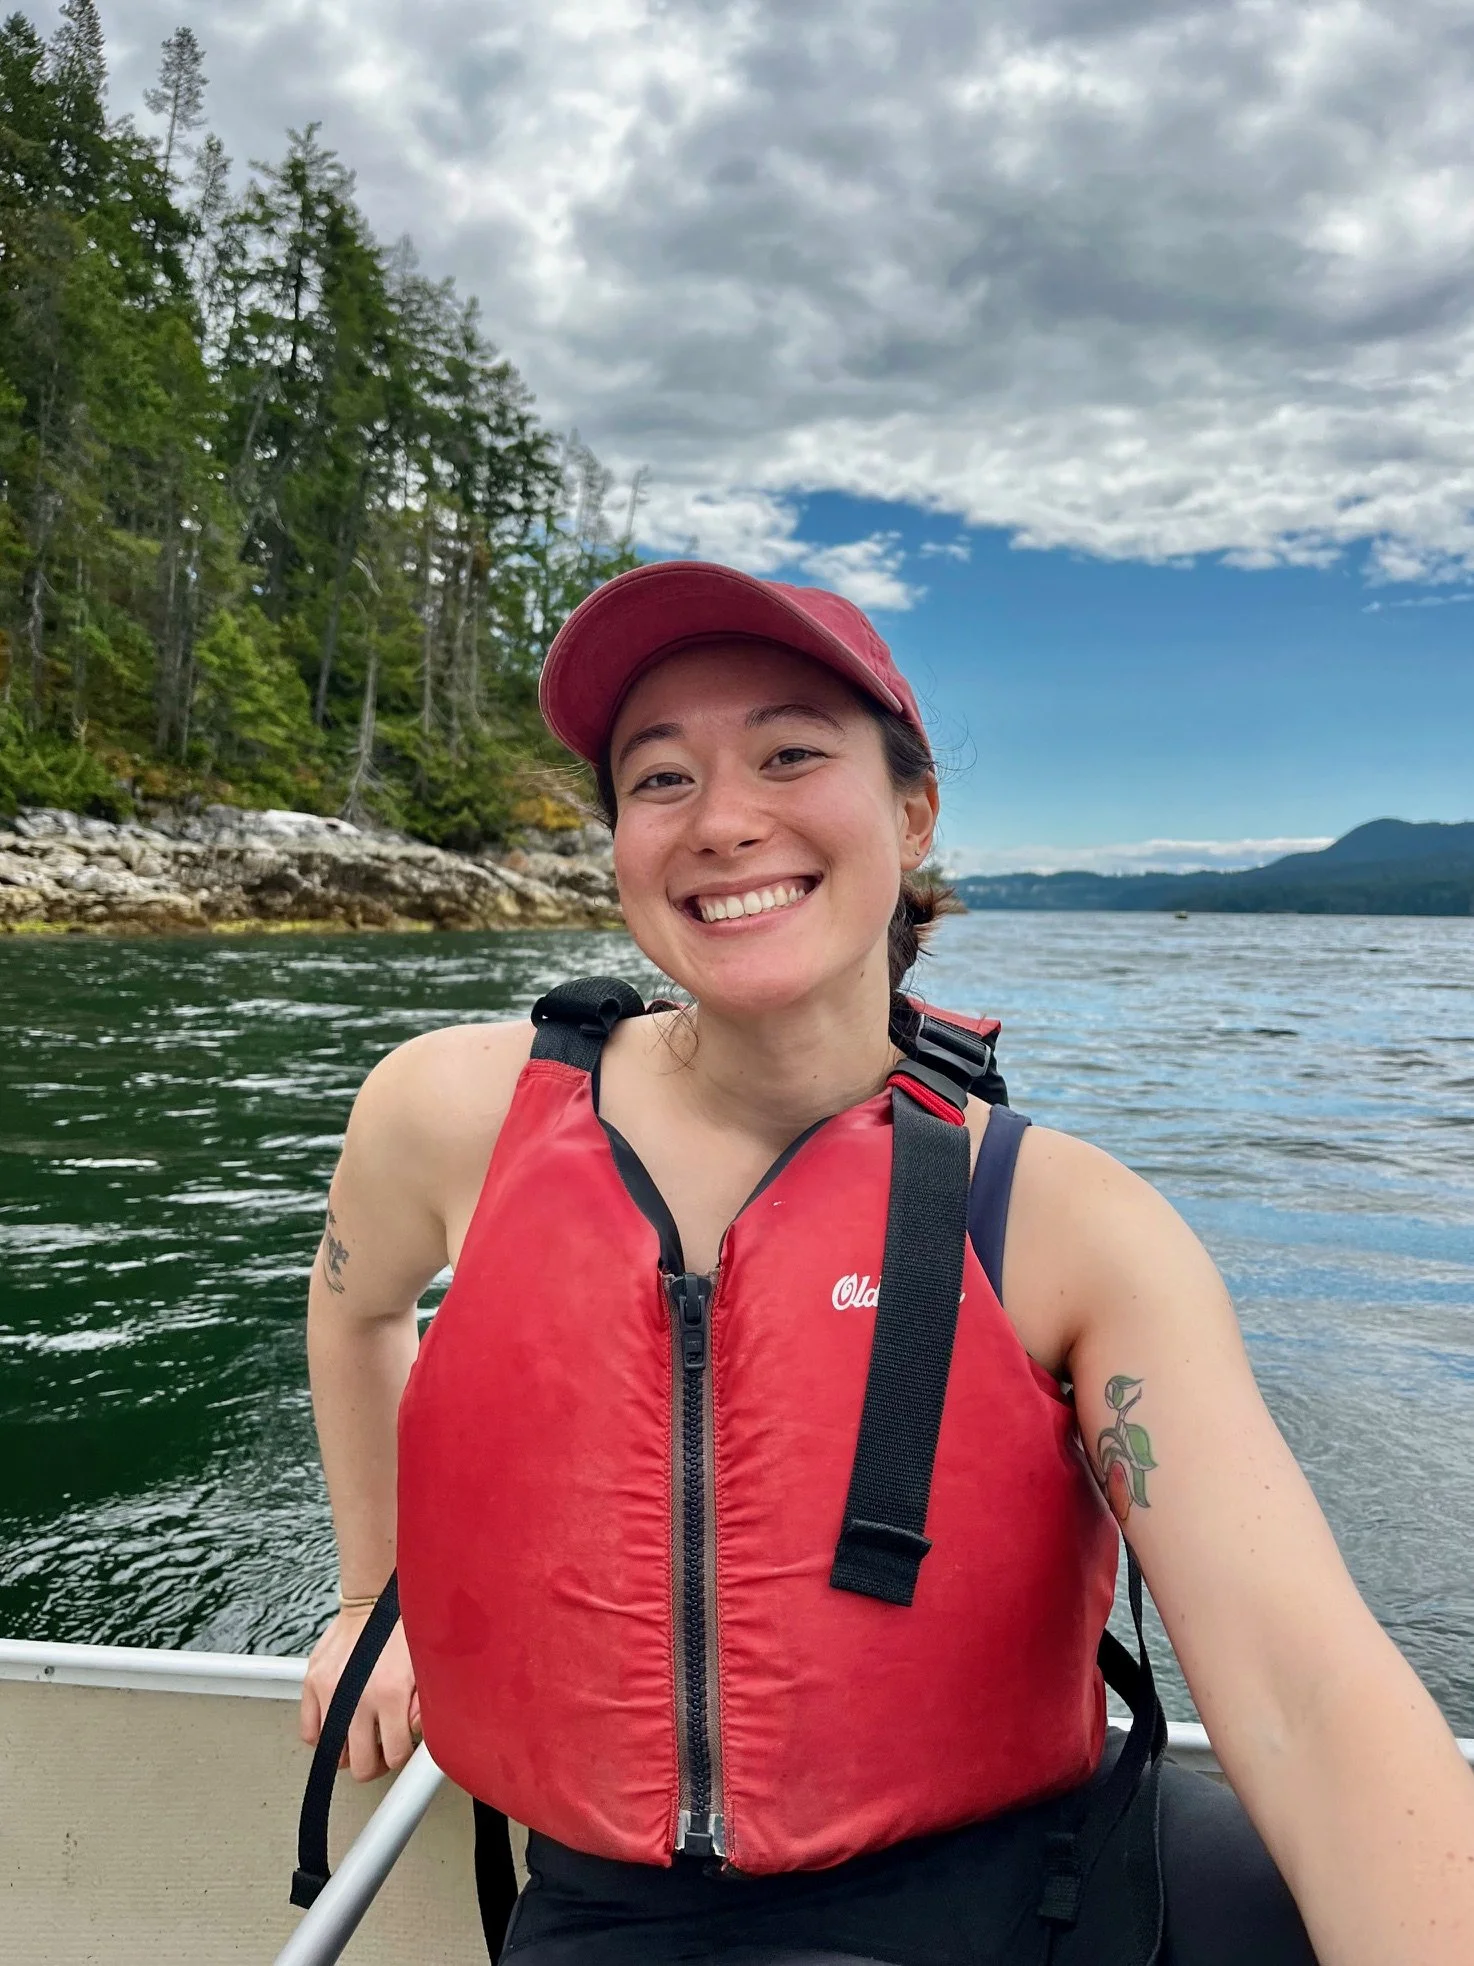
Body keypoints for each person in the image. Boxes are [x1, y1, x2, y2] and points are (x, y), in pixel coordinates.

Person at [299, 560, 1474, 1966]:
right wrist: (375, 1598)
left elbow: (1298, 1684)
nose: (723, 821)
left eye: (791, 754)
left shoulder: (1062, 1223)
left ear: (912, 814)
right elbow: (357, 1312)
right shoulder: (449, 1115)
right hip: (633, 1908)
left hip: (1034, 1873)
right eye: (660, 778)